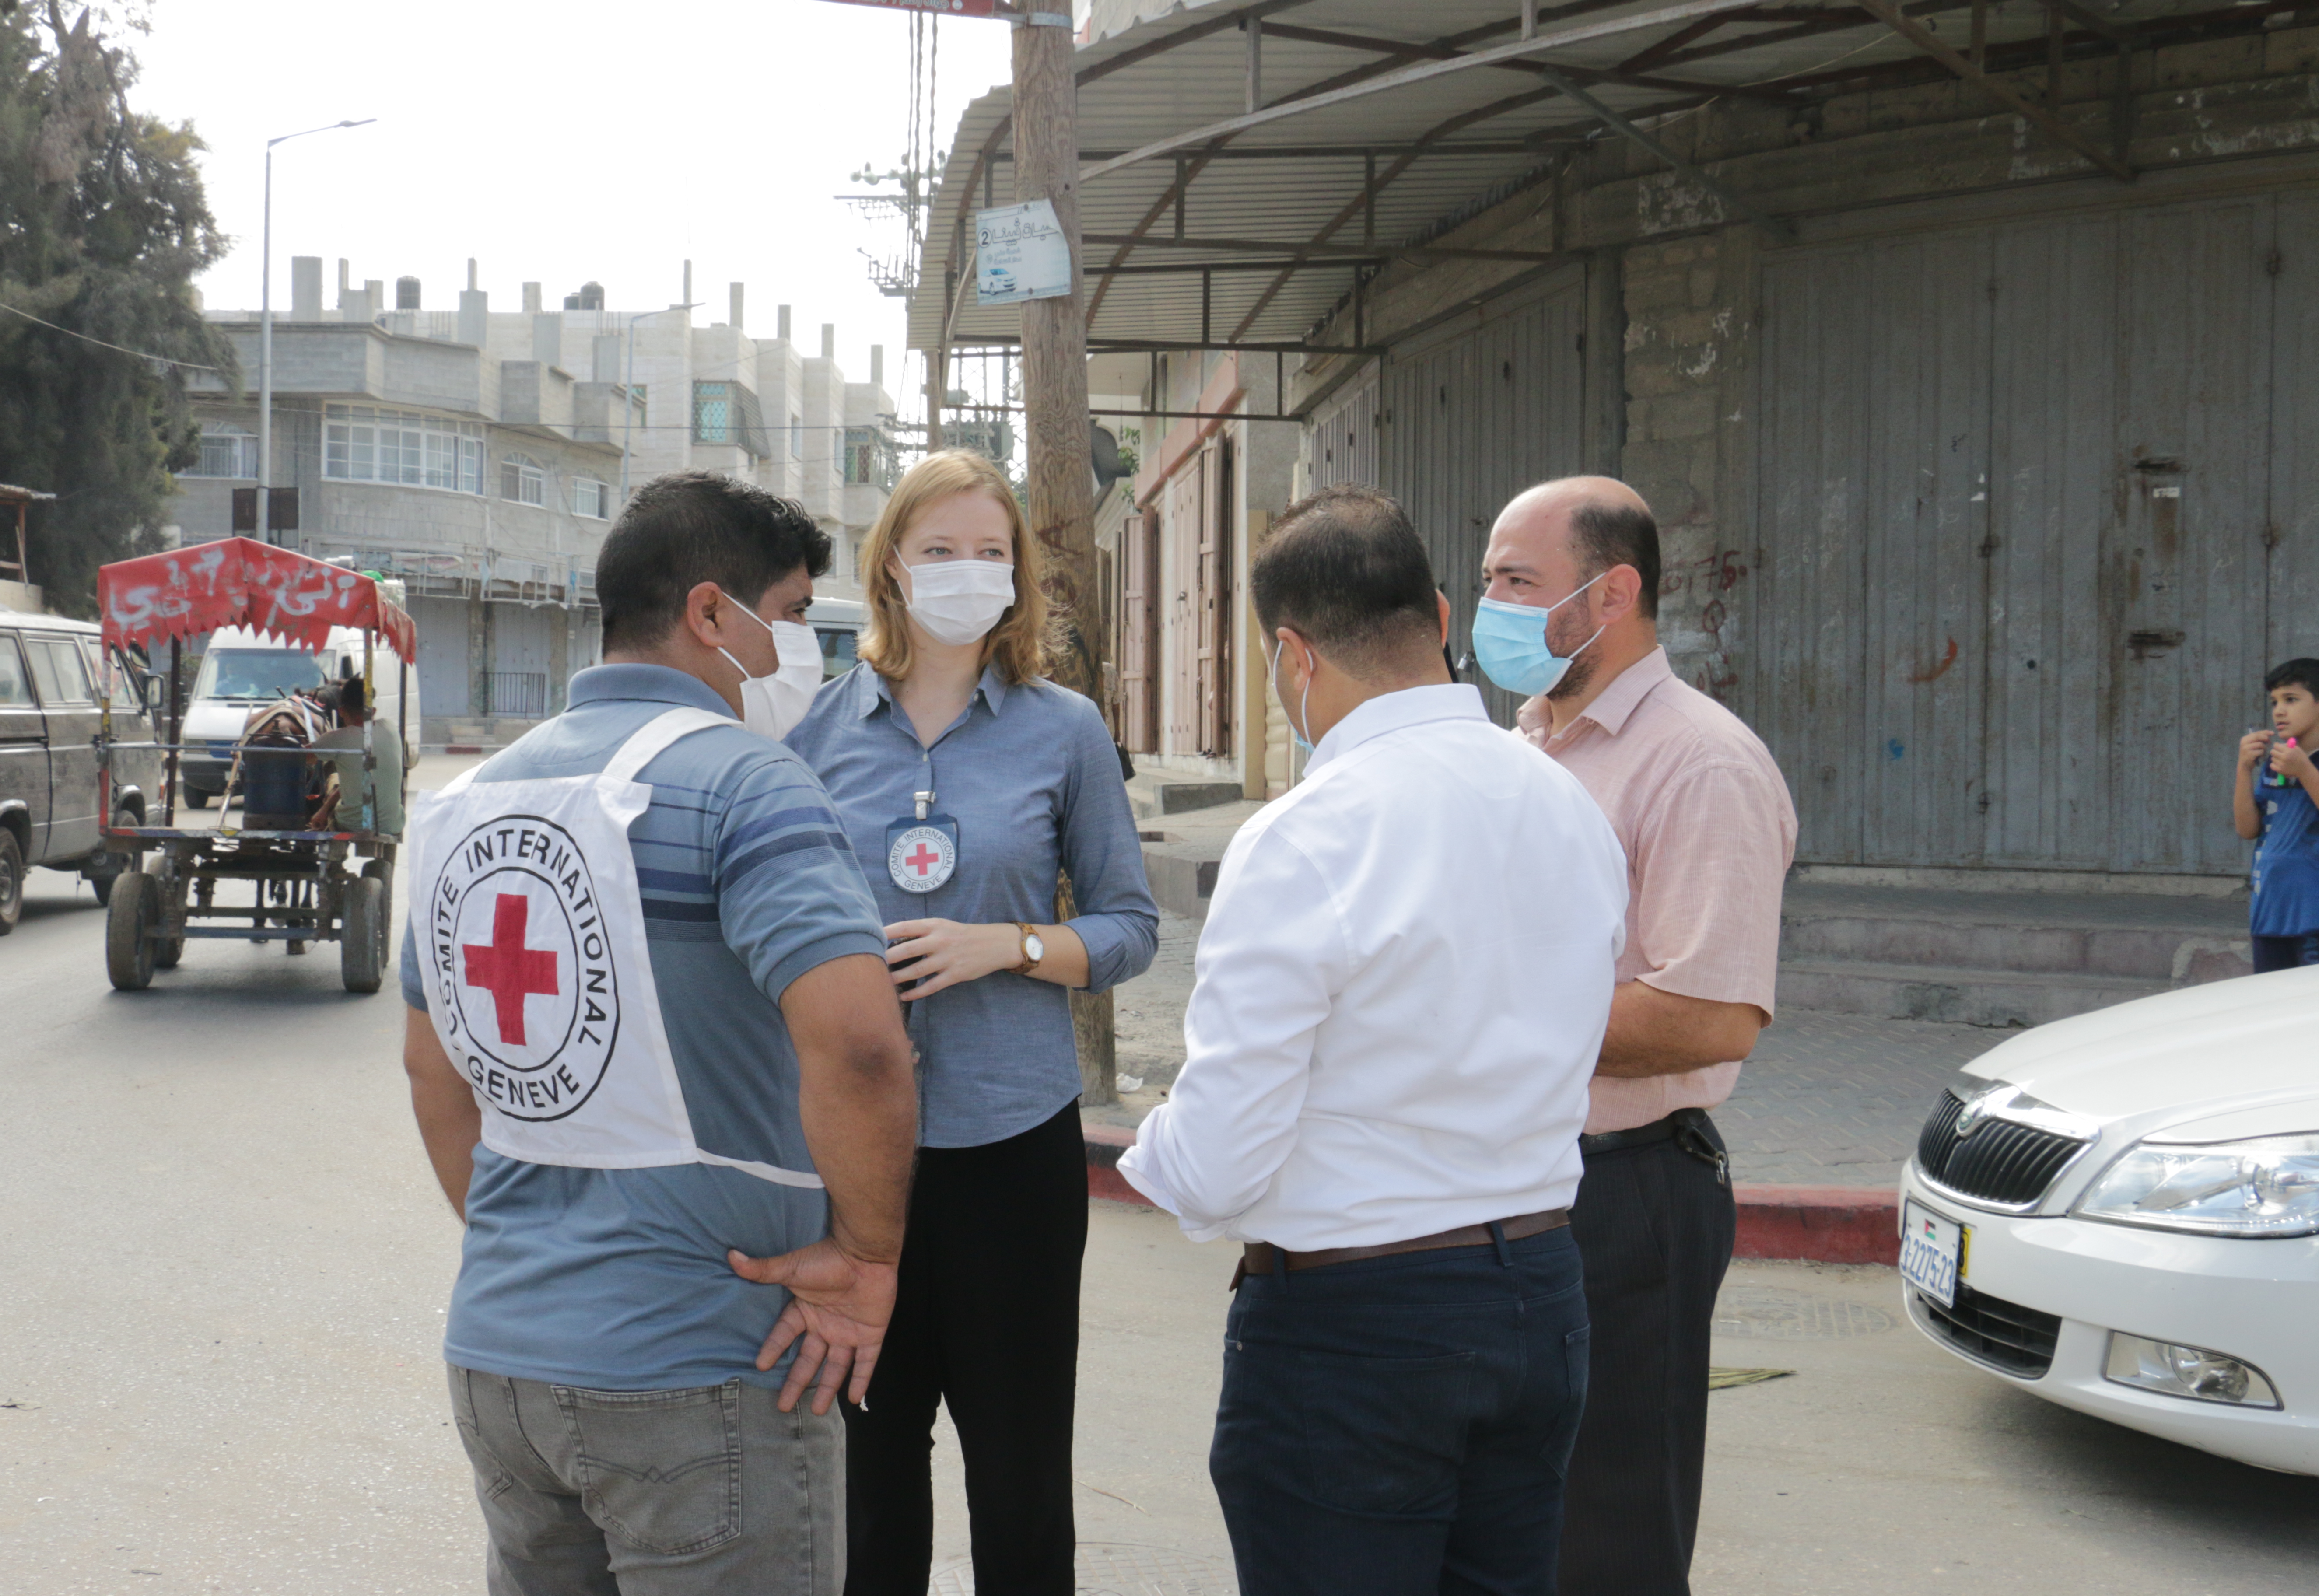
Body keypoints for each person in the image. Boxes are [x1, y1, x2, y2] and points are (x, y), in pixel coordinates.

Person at [397, 471, 917, 1595]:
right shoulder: (749, 787)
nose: (797, 652)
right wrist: (868, 1262)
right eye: (785, 616)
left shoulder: (469, 801)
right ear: (709, 614)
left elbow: (431, 1070)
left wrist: (537, 1247)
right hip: (698, 1371)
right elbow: (862, 1047)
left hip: (502, 1361)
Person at [1119, 484, 1628, 1596]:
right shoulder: (1564, 806)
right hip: (1538, 1293)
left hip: (1359, 1327)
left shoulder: (1305, 838)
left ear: (1292, 656)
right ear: (1441, 616)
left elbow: (1217, 1162)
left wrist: (1153, 1149)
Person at [784, 450, 1158, 1595]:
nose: (966, 572)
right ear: (891, 565)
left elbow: (1130, 927)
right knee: (868, 1476)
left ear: (1019, 575)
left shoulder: (1065, 732)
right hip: (856, 1161)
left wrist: (1013, 947)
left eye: (990, 553)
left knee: (1022, 1481)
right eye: (939, 549)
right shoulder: (816, 734)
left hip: (1012, 1150)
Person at [1474, 476, 1797, 1596]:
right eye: (1487, 584)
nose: (1492, 610)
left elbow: (1709, 1014)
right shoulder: (1521, 745)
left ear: (1611, 594)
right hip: (1504, 1186)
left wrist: (1478, 1026)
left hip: (1622, 1197)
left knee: (1606, 1536)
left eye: (1517, 583)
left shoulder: (1696, 761)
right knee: (1509, 1519)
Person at [2232, 657, 2319, 970]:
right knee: (2271, 1002)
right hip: (2270, 908)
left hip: (2312, 914)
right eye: (2275, 702)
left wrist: (2305, 771)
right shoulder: (2276, 763)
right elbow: (2247, 828)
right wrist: (2244, 769)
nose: (2279, 711)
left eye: (2292, 700)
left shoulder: (2301, 763)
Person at [311, 674, 406, 835]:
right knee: (363, 775)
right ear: (373, 711)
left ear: (341, 711)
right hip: (392, 824)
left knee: (335, 778)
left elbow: (302, 757)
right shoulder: (390, 728)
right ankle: (385, 856)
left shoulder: (337, 738)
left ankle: (334, 856)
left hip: (353, 824)